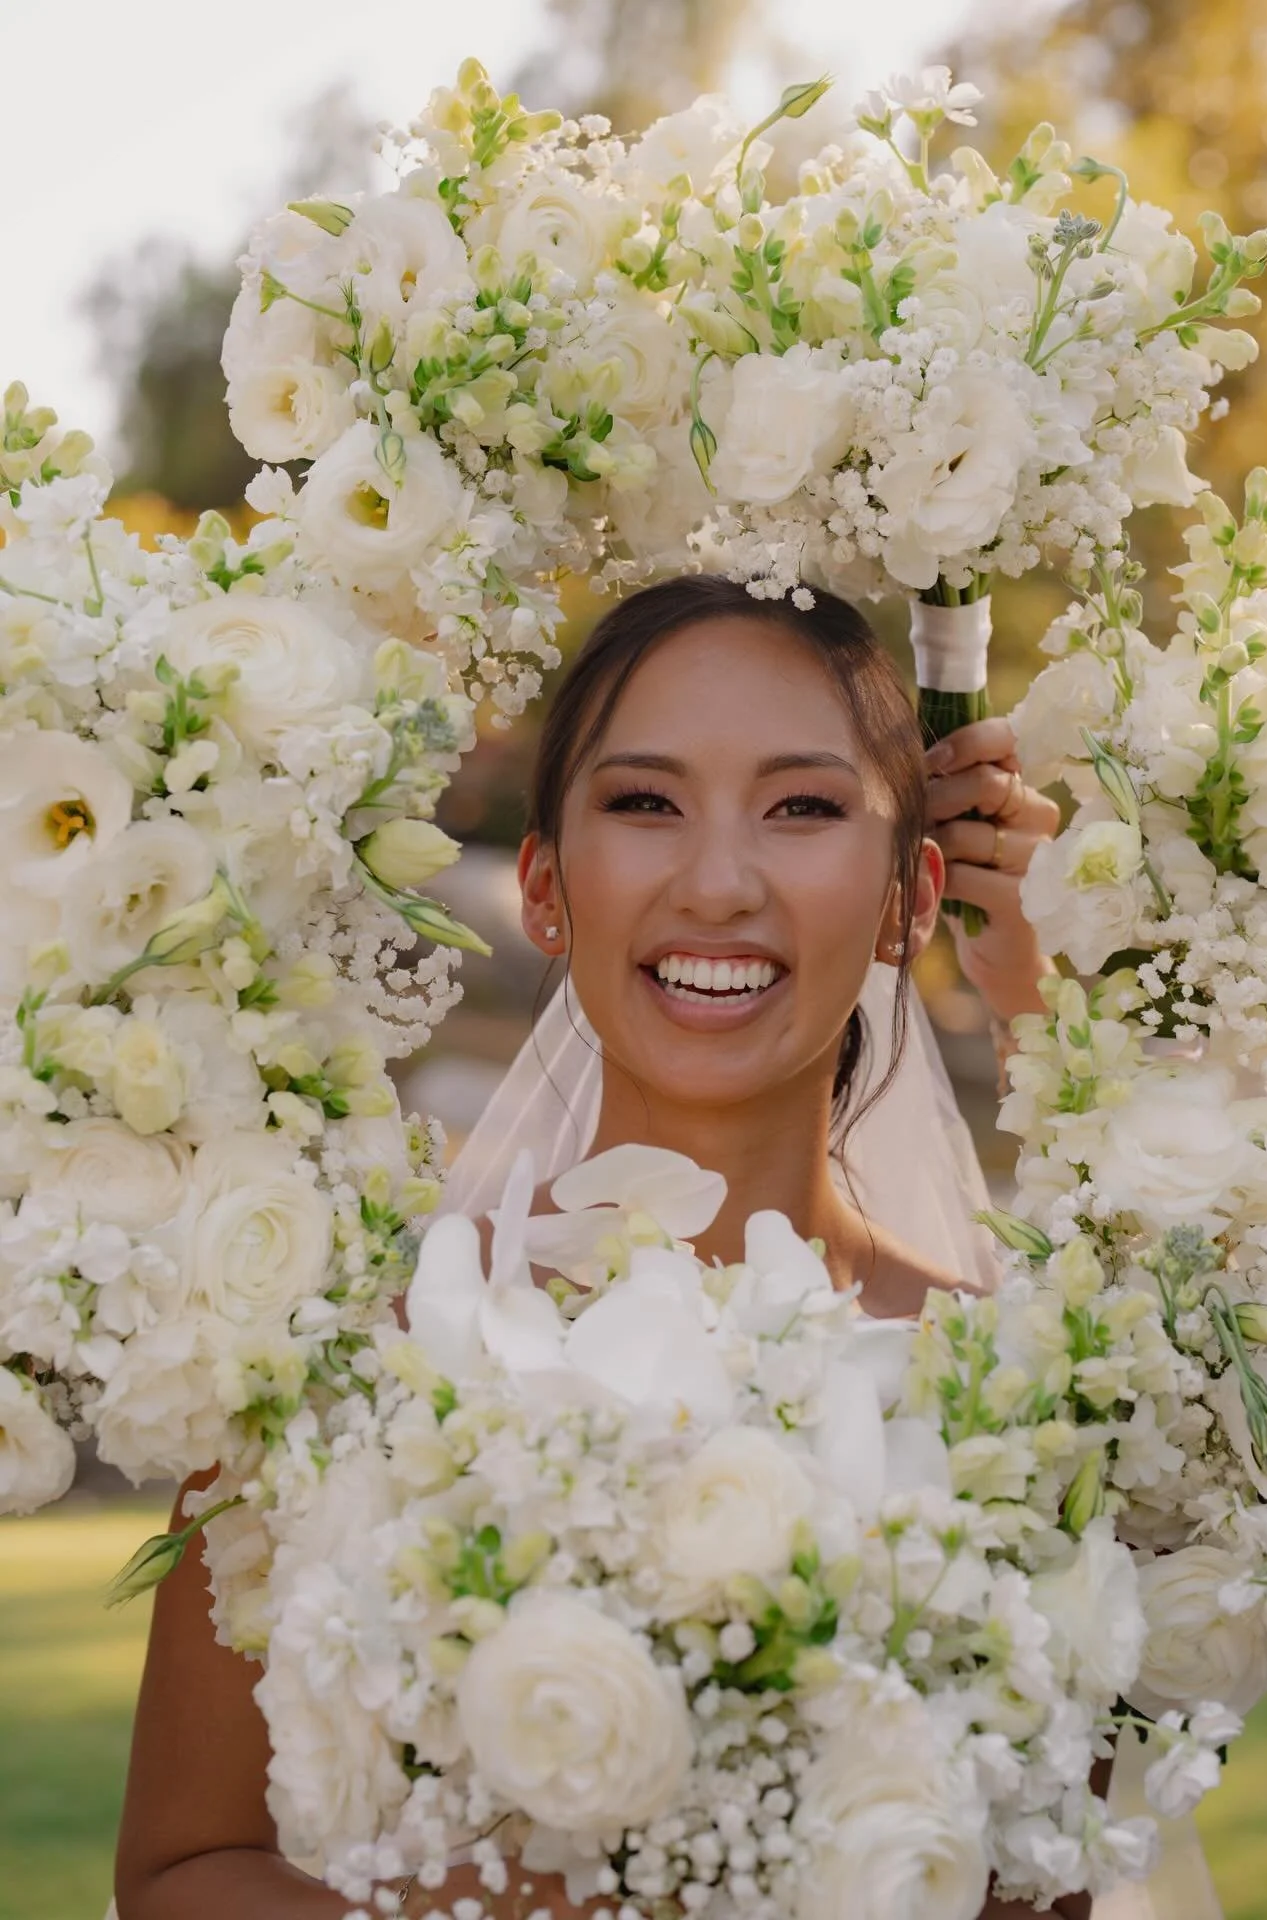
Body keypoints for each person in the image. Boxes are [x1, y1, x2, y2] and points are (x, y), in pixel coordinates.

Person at [114, 574, 1080, 1918]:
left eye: (802, 808)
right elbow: (181, 1871)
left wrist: (1073, 1021)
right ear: (546, 888)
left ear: (910, 897)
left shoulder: (1018, 1395)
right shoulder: (330, 1358)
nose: (720, 881)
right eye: (645, 804)